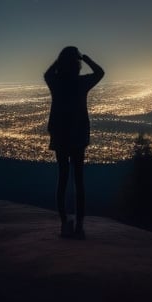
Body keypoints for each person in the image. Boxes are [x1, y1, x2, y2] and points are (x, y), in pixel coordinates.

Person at [44, 46, 104, 239]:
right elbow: (100, 72)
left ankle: (64, 223)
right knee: (79, 181)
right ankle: (79, 226)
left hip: (60, 135)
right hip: (78, 135)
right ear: (77, 64)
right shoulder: (81, 83)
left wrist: (59, 59)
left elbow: (47, 73)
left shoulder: (56, 83)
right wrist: (84, 57)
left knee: (62, 179)